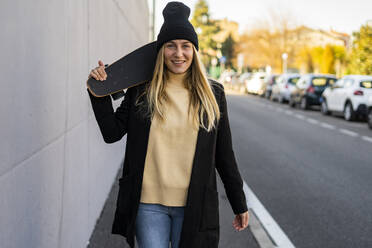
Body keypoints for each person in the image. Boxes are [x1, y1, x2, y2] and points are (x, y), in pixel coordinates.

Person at [87, 2, 249, 248]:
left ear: (195, 51)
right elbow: (112, 133)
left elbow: (224, 155)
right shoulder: (141, 90)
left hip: (194, 205)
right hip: (148, 205)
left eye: (186, 46)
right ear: (160, 50)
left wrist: (239, 202)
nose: (178, 53)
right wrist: (97, 92)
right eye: (170, 46)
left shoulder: (213, 94)